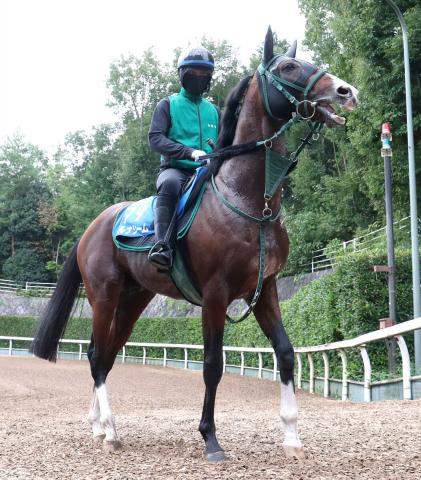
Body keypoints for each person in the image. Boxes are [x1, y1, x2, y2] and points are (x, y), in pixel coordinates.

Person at [148, 46, 220, 270]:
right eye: (193, 73)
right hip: (176, 169)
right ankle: (162, 247)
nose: (199, 78)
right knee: (168, 184)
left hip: (210, 171)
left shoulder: (215, 111)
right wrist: (189, 152)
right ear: (182, 74)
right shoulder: (168, 104)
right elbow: (155, 139)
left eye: (204, 74)